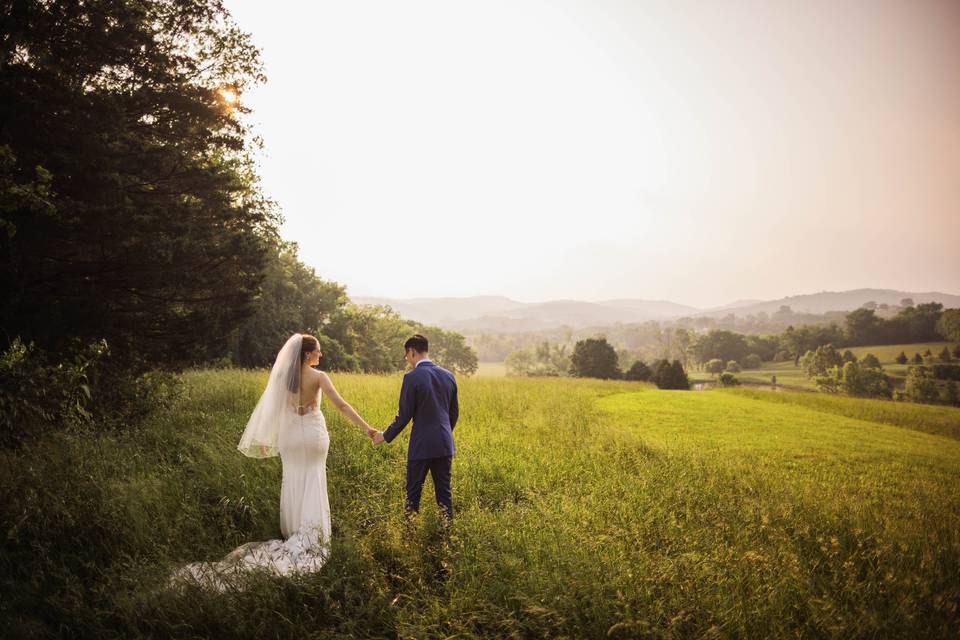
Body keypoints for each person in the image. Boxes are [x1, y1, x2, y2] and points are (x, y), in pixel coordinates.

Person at [172, 333, 374, 590]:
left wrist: (269, 439)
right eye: (318, 351)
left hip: (290, 439)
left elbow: (273, 410)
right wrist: (367, 429)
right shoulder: (320, 377)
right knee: (313, 479)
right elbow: (343, 406)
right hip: (312, 438)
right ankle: (311, 534)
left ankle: (293, 531)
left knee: (292, 480)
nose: (320, 355)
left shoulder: (282, 378)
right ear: (306, 354)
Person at [372, 334, 459, 522]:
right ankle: (448, 536)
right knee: (444, 494)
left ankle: (409, 538)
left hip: (421, 445)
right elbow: (454, 414)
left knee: (413, 493)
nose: (407, 360)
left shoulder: (412, 377)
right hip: (444, 443)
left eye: (406, 355)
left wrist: (384, 436)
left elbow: (404, 415)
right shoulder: (448, 376)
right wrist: (442, 433)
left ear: (411, 351)